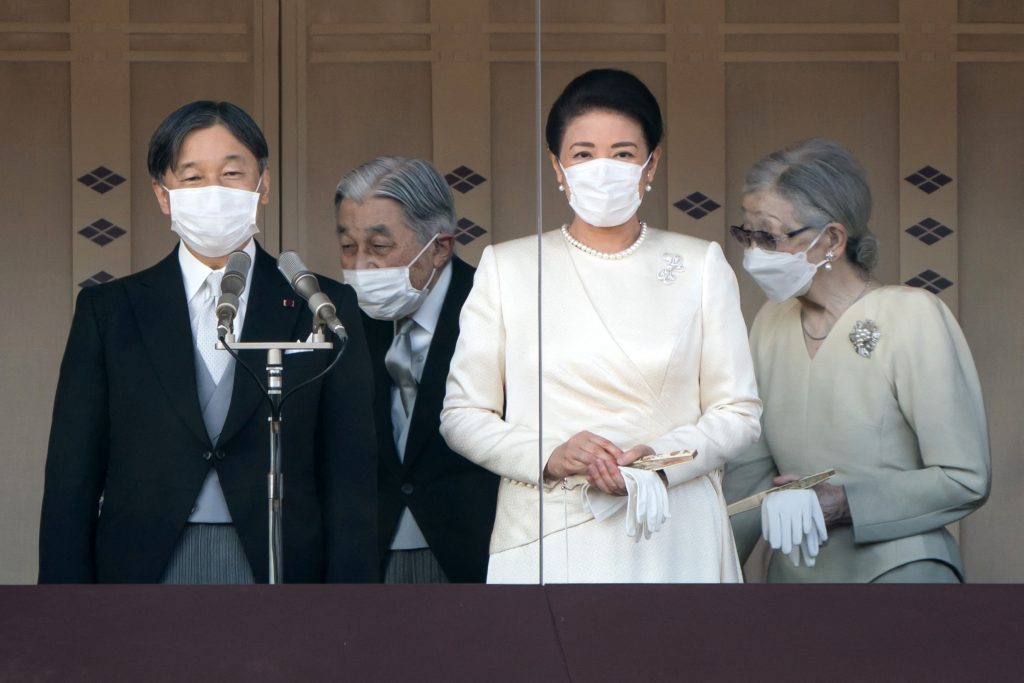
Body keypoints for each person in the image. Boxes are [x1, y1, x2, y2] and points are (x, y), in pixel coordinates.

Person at [439, 69, 762, 583]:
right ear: (557, 166)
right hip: (547, 525)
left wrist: (661, 458)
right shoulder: (509, 267)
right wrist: (552, 455)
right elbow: (462, 415)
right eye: (584, 154)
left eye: (624, 153)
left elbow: (739, 412)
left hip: (672, 524)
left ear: (651, 163)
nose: (603, 168)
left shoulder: (700, 264)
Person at [38, 100, 377, 583]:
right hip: (142, 563)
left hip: (282, 561)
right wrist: (62, 602)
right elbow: (72, 472)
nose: (214, 191)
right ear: (163, 194)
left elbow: (351, 473)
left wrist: (351, 602)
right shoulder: (110, 310)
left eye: (232, 173)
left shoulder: (320, 303)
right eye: (193, 178)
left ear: (263, 185)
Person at [724, 138, 991, 582]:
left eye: (769, 237)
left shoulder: (912, 316)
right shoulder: (770, 322)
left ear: (831, 239)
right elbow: (749, 477)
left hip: (903, 573)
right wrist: (697, 575)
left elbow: (965, 478)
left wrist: (846, 503)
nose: (754, 253)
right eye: (747, 235)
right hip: (795, 584)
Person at [335, 157, 499, 583]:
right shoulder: (339, 319)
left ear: (440, 247)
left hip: (474, 556)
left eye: (379, 246)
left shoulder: (495, 310)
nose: (361, 265)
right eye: (348, 247)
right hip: (368, 559)